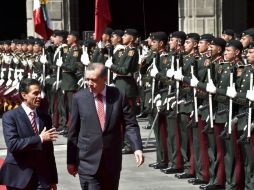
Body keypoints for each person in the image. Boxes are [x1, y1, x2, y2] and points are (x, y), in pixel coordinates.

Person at [67, 63, 144, 190]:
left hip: (111, 162)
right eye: (87, 79)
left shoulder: (118, 95)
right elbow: (73, 132)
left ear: (105, 79)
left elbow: (130, 124)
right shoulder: (79, 98)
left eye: (94, 80)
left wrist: (137, 148)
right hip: (87, 162)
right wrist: (71, 161)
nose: (89, 83)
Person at [0, 78, 58, 190]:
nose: (40, 96)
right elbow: (13, 145)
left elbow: (49, 152)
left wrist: (53, 180)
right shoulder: (10, 117)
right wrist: (40, 138)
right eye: (35, 93)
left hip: (42, 178)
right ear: (24, 95)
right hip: (19, 178)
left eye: (40, 92)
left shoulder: (45, 118)